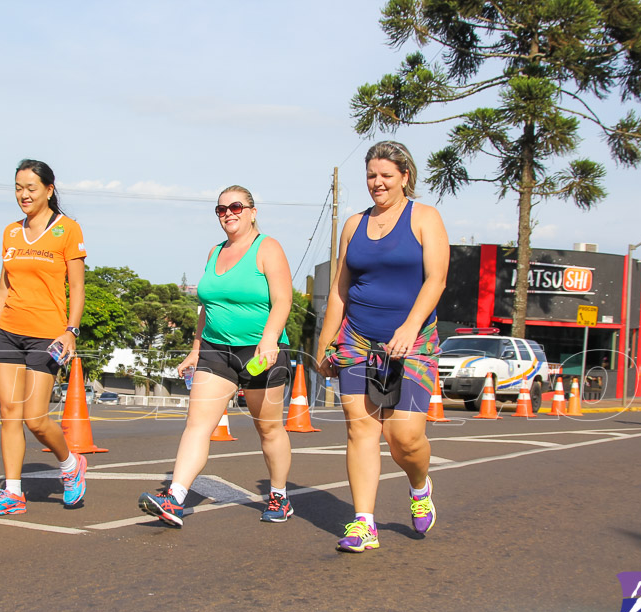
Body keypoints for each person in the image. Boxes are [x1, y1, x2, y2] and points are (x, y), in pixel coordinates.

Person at [315, 141, 449, 553]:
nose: (378, 183)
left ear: (405, 176)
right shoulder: (354, 225)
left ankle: (419, 484)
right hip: (357, 338)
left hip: (414, 339)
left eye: (386, 176)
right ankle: (363, 524)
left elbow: (436, 280)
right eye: (372, 175)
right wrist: (326, 339)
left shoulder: (425, 218)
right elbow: (341, 286)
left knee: (403, 435)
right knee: (361, 430)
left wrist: (410, 326)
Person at [138, 185, 294, 527]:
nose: (228, 214)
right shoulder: (215, 252)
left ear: (253, 211)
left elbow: (283, 300)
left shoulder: (267, 248)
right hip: (216, 350)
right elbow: (206, 307)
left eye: (235, 206)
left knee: (269, 430)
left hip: (260, 353)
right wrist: (196, 349)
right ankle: (175, 498)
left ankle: (279, 496)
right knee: (197, 425)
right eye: (221, 209)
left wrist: (269, 342)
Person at [0, 159, 87, 515]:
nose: (24, 195)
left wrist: (71, 331)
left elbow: (77, 287)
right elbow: (3, 289)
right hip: (10, 333)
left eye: (31, 188)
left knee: (35, 418)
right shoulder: (11, 232)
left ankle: (70, 465)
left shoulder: (67, 230)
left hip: (47, 336)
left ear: (49, 190)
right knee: (9, 413)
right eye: (18, 188)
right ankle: (12, 493)